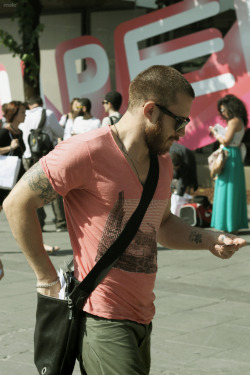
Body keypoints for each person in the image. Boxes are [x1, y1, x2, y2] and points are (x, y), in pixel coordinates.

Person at [3, 65, 246, 375]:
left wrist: (208, 238)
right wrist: (47, 278)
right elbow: (17, 203)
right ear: (150, 111)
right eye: (180, 120)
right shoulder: (86, 151)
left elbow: (161, 224)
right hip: (102, 320)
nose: (183, 131)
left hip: (143, 317)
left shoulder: (162, 161)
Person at [19, 96, 67, 233]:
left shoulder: (25, 115)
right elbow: (60, 133)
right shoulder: (48, 114)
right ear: (41, 103)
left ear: (29, 105)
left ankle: (39, 222)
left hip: (28, 157)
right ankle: (60, 222)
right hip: (46, 157)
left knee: (33, 190)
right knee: (54, 188)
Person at [209, 94, 248, 233]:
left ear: (231, 108)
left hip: (229, 156)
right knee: (230, 189)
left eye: (224, 110)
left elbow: (226, 141)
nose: (223, 113)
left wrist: (215, 133)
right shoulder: (239, 120)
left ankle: (228, 224)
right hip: (233, 155)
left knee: (228, 188)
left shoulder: (234, 121)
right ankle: (230, 223)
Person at [0, 101, 26, 212]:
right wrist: (10, 148)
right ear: (14, 114)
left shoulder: (19, 132)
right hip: (6, 174)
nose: (25, 115)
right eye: (22, 112)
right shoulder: (4, 132)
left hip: (17, 172)